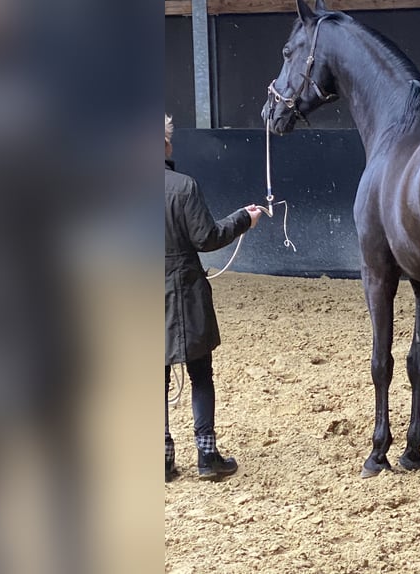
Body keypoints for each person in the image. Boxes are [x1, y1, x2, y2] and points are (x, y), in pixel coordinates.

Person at [164, 114, 262, 482]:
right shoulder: (184, 186)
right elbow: (207, 238)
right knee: (200, 373)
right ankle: (207, 456)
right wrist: (243, 220)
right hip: (185, 292)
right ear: (165, 144)